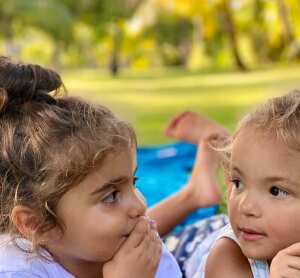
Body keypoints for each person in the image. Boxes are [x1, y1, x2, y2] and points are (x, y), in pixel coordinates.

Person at [0, 56, 226, 278]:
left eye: (134, 182)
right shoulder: (15, 270)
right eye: (110, 196)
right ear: (37, 224)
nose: (140, 205)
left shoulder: (144, 256)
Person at [170, 91, 300, 277]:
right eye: (238, 183)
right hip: (192, 244)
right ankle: (193, 194)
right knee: (136, 231)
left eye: (276, 191)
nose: (245, 206)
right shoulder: (227, 254)